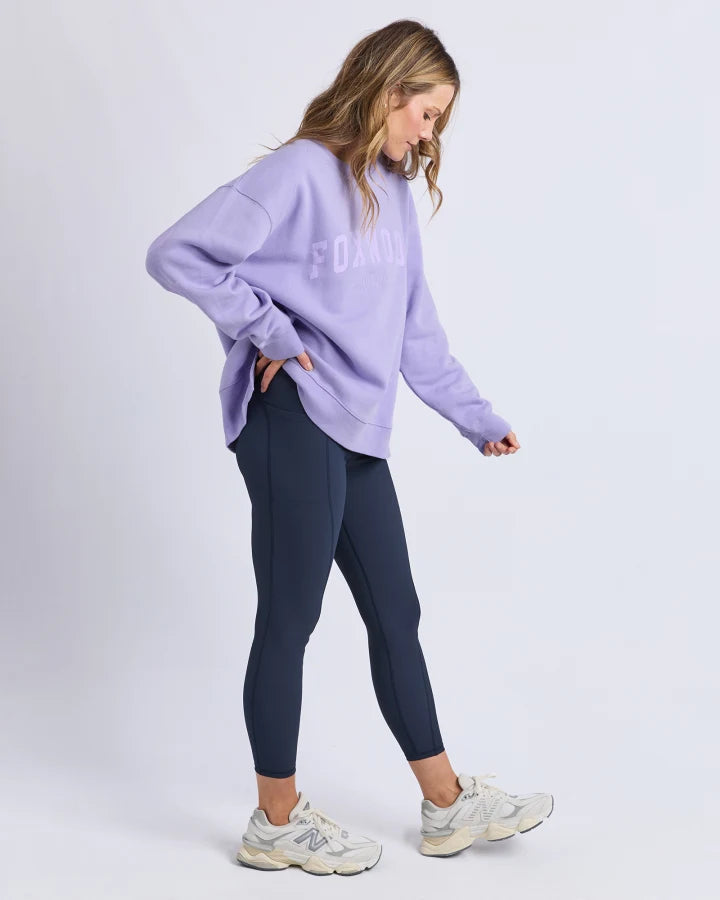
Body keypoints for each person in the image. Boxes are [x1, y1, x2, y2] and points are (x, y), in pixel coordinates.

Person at [145, 18, 553, 876]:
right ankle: (275, 822)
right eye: (427, 114)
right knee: (290, 618)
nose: (429, 135)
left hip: (359, 425)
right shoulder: (298, 172)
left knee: (396, 612)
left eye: (439, 122)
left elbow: (414, 330)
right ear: (388, 90)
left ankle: (446, 803)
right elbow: (178, 253)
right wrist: (270, 330)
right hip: (291, 414)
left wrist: (476, 416)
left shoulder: (391, 191)